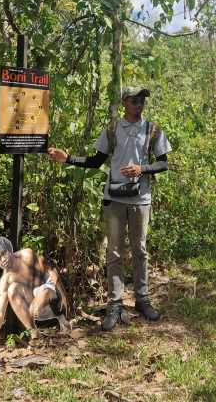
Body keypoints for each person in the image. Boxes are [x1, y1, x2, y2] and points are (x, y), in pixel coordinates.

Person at [48, 86, 171, 331]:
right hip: (114, 199)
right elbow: (96, 161)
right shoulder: (113, 129)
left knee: (140, 250)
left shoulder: (153, 130)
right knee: (114, 253)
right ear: (124, 102)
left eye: (142, 100)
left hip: (141, 199)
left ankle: (142, 300)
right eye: (134, 100)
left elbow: (163, 164)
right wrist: (68, 158)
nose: (139, 104)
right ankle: (115, 304)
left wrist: (142, 169)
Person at [0, 236, 71, 367]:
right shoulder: (5, 280)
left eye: (3, 254)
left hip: (50, 291)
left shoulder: (27, 255)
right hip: (36, 304)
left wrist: (63, 295)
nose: (2, 259)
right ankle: (35, 335)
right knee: (12, 290)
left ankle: (61, 318)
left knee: (38, 302)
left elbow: (50, 269)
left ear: (9, 250)